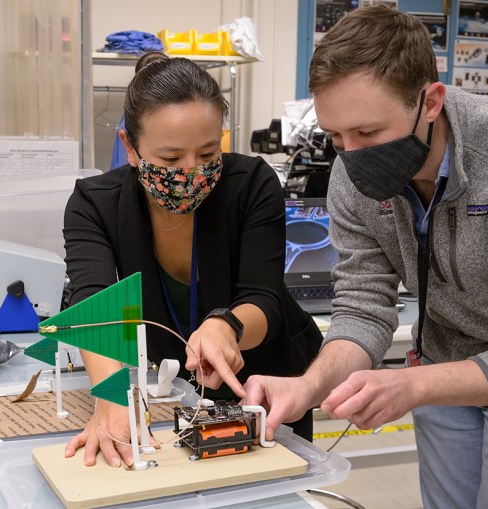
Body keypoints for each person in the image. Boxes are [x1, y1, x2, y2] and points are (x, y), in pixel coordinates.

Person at [243, 6, 488, 508]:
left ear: (430, 102)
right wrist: (309, 386)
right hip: (442, 352)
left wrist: (411, 385)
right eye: (335, 137)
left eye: (368, 134)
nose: (350, 154)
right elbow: (364, 309)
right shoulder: (351, 171)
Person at [62, 51, 323, 468]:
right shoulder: (95, 204)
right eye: (169, 159)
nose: (191, 172)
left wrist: (228, 327)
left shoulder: (252, 185)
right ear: (130, 147)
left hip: (260, 387)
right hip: (169, 392)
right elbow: (93, 305)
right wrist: (111, 396)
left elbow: (264, 296)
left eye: (207, 154)